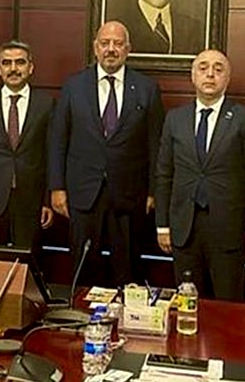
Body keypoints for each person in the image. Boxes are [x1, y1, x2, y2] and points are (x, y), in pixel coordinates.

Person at [49, 21, 164, 286]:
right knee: (83, 268)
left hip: (129, 195)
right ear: (95, 48)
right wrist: (56, 187)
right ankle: (80, 310)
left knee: (127, 270)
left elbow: (155, 144)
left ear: (128, 49)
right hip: (83, 193)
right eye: (105, 43)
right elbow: (58, 140)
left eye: (117, 43)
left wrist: (153, 191)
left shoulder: (146, 88)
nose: (111, 49)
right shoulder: (74, 86)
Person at [155, 50, 245, 301]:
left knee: (227, 305)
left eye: (218, 69)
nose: (210, 74)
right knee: (188, 304)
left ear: (227, 78)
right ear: (193, 76)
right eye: (203, 68)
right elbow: (164, 174)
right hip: (184, 228)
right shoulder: (175, 119)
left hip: (228, 230)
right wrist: (162, 225)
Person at [0, 40, 54, 249]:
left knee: (28, 262)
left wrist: (47, 201)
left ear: (30, 67)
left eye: (20, 62)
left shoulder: (46, 104)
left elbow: (51, 157)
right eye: (6, 63)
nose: (13, 69)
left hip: (31, 202)